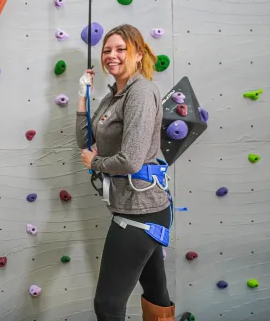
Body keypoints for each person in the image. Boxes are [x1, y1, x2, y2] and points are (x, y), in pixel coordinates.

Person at [75, 24, 175, 321]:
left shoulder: (142, 92)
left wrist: (95, 164)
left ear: (138, 54)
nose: (112, 55)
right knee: (156, 292)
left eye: (121, 49)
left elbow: (130, 160)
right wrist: (84, 95)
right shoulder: (112, 96)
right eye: (107, 50)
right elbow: (85, 140)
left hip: (141, 210)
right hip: (132, 206)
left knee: (107, 305)